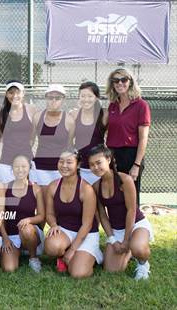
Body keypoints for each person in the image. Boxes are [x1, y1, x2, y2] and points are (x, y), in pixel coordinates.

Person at [88, 144, 153, 280]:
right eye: (92, 165)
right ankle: (129, 251)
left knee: (139, 249)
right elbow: (103, 216)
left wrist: (126, 239)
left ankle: (143, 264)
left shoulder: (125, 180)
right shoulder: (96, 186)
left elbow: (131, 211)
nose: (95, 167)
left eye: (99, 162)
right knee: (111, 269)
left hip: (135, 224)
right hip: (116, 229)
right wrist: (112, 239)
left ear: (109, 160)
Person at [44, 149, 102, 278]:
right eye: (61, 161)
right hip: (65, 231)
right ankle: (64, 255)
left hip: (86, 233)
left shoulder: (86, 189)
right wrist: (53, 225)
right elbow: (49, 214)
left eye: (69, 162)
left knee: (77, 273)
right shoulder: (53, 186)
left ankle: (91, 254)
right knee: (51, 246)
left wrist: (72, 250)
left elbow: (87, 225)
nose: (64, 165)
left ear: (78, 164)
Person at [105, 68, 150, 205]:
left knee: (131, 199)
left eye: (123, 79)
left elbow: (143, 138)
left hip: (131, 156)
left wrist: (136, 165)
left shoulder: (141, 105)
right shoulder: (112, 106)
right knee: (116, 197)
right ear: (112, 84)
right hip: (112, 155)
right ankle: (118, 226)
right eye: (116, 80)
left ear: (130, 82)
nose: (120, 83)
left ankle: (134, 226)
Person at [0, 155, 45, 273]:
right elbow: (0, 216)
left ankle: (33, 257)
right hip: (11, 235)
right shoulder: (5, 188)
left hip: (29, 232)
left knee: (27, 230)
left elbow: (41, 216)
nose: (20, 169)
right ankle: (16, 252)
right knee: (9, 268)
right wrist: (5, 238)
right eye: (16, 166)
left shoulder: (36, 188)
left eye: (24, 166)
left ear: (29, 168)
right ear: (12, 169)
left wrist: (29, 220)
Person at [30, 84, 75, 190]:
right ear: (46, 98)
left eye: (57, 98)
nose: (54, 100)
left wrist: (68, 166)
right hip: (40, 167)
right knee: (42, 202)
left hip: (60, 169)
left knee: (58, 203)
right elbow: (30, 141)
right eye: (50, 97)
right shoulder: (37, 117)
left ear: (63, 99)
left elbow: (69, 146)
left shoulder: (69, 121)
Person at [0, 80, 36, 184]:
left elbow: (33, 137)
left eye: (18, 92)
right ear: (6, 94)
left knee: (27, 195)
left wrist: (24, 149)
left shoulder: (31, 109)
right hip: (6, 162)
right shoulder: (1, 113)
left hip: (27, 161)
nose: (14, 96)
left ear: (23, 93)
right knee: (8, 195)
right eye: (11, 92)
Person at [71, 81, 107, 185]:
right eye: (83, 96)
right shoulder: (74, 114)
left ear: (96, 97)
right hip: (81, 168)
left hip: (98, 168)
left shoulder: (104, 114)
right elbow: (68, 142)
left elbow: (111, 140)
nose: (86, 99)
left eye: (90, 96)